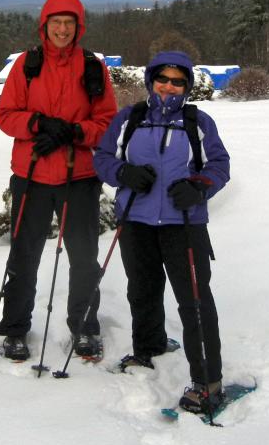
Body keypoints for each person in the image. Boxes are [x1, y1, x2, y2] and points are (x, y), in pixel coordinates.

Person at [93, 51, 231, 413]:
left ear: (186, 86)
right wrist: (123, 174)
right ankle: (148, 347)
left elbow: (219, 164)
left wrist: (199, 186)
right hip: (136, 220)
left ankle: (208, 382)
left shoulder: (196, 122)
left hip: (183, 224)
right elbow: (103, 157)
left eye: (178, 81)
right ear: (151, 80)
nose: (169, 86)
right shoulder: (131, 118)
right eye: (163, 79)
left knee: (195, 301)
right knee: (142, 290)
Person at [0, 0, 117, 361]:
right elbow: (4, 115)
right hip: (31, 174)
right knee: (23, 256)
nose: (62, 30)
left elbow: (107, 121)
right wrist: (37, 123)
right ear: (44, 25)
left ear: (78, 27)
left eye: (69, 23)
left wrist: (75, 133)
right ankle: (14, 329)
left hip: (78, 177)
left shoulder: (93, 67)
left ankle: (84, 328)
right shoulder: (26, 65)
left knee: (83, 258)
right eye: (56, 23)